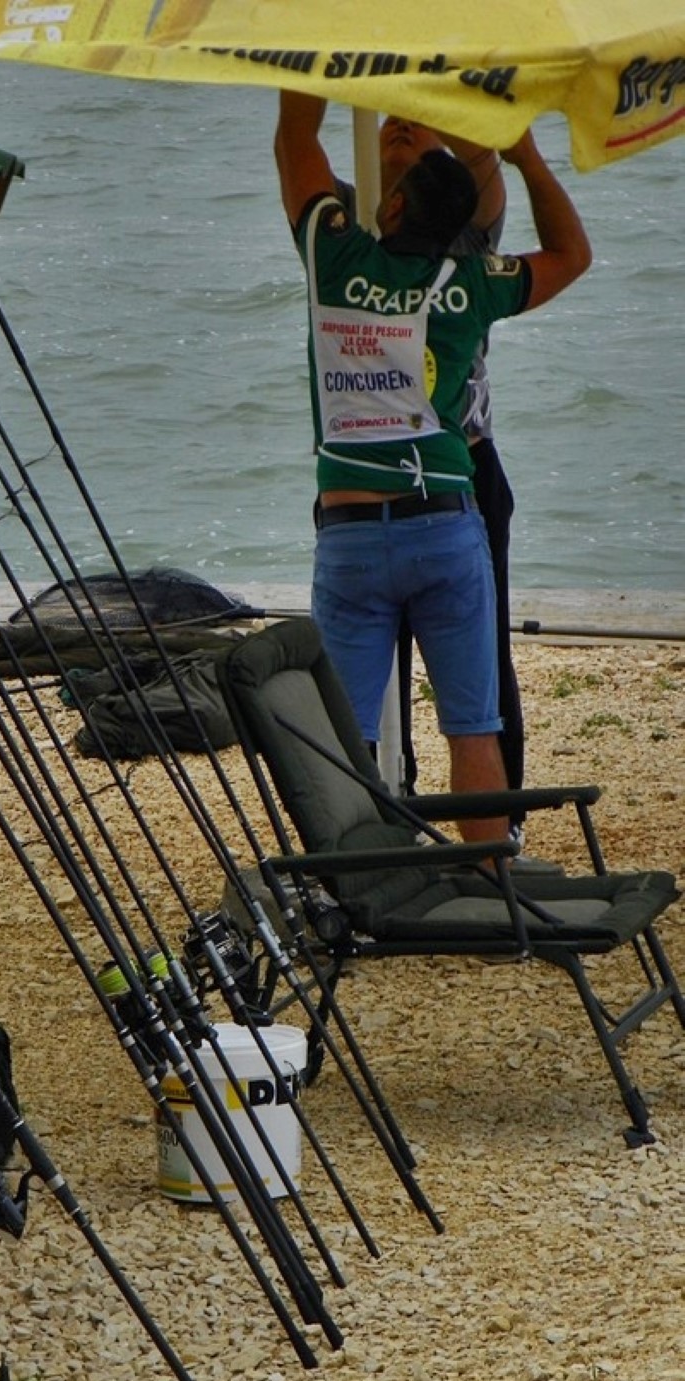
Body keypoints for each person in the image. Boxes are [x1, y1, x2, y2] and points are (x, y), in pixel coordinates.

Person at [274, 90, 591, 844]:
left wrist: (311, 57)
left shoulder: (334, 257)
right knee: (473, 727)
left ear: (389, 208)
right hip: (446, 521)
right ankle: (491, 880)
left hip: (351, 530)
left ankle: (355, 880)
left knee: (346, 737)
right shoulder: (473, 282)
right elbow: (572, 255)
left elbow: (294, 140)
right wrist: (525, 155)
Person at [336, 118, 524, 815]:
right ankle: (393, 799)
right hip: (366, 471)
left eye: (414, 129)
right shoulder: (351, 221)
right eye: (388, 123)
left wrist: (445, 104)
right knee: (369, 656)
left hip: (463, 468)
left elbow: (489, 174)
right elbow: (297, 176)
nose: (399, 129)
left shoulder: (460, 222)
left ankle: (501, 814)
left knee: (479, 661)